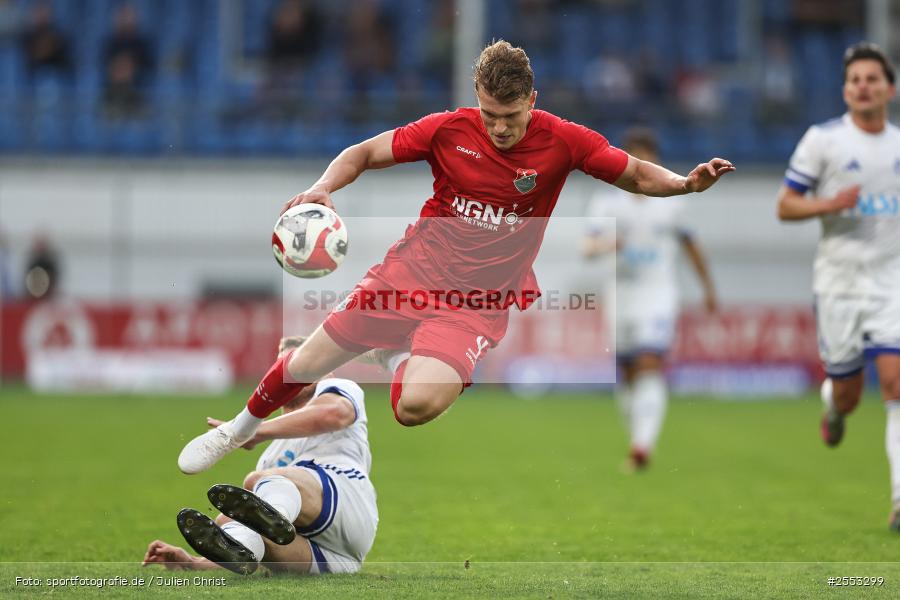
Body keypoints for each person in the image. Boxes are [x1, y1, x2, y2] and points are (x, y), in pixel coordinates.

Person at [178, 39, 734, 475]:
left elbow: (634, 173)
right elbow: (364, 152)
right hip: (410, 273)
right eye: (489, 114)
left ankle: (389, 353)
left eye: (509, 116)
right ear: (477, 99)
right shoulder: (448, 130)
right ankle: (236, 430)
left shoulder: (564, 141)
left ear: (532, 101)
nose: (498, 127)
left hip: (475, 305)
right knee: (301, 366)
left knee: (413, 408)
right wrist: (323, 186)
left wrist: (685, 184)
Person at [776, 43, 900, 528]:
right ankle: (834, 407)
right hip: (840, 284)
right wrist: (829, 205)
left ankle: (898, 501)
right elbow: (785, 205)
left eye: (872, 79)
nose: (863, 87)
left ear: (890, 89)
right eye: (855, 80)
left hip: (892, 283)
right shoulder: (823, 140)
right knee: (849, 394)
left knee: (895, 383)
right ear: (846, 90)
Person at [147, 340, 377, 574]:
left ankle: (277, 516)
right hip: (333, 559)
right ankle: (255, 531)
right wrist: (194, 563)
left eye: (303, 364)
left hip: (351, 510)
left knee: (258, 482)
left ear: (327, 371)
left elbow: (334, 414)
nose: (294, 374)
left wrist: (250, 431)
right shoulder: (271, 458)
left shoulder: (340, 388)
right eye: (287, 367)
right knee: (229, 521)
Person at [583, 127, 718, 471]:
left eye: (647, 157)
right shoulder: (606, 202)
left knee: (649, 362)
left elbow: (692, 247)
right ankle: (637, 438)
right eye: (635, 157)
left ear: (655, 160)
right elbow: (587, 248)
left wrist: (708, 289)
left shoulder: (672, 204)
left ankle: (642, 446)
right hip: (620, 294)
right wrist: (607, 245)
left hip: (658, 293)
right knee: (628, 371)